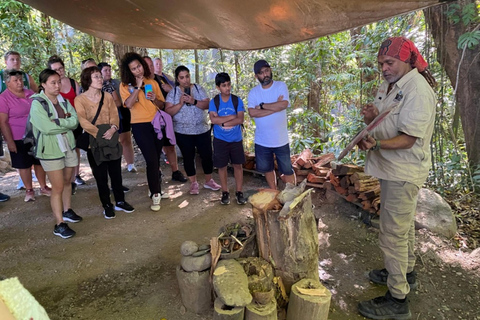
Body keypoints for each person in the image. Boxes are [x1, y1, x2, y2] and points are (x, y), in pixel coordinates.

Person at [356, 37, 436, 320]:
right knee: (403, 230)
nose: (384, 68)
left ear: (408, 60)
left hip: (404, 171)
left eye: (389, 62)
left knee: (392, 234)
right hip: (391, 170)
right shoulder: (392, 85)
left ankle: (398, 299)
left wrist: (375, 144)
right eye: (381, 64)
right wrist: (372, 118)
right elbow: (389, 122)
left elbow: (409, 139)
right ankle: (406, 272)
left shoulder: (418, 90)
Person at [75, 66, 135, 219]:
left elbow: (115, 114)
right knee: (100, 175)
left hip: (111, 137)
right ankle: (107, 205)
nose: (100, 79)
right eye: (96, 77)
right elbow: (82, 121)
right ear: (88, 80)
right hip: (93, 141)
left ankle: (120, 201)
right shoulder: (79, 99)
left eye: (100, 76)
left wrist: (114, 128)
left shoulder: (107, 96)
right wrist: (100, 133)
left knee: (116, 173)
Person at [29, 69, 83, 239]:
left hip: (67, 145)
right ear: (43, 85)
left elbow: (75, 122)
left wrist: (58, 122)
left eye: (59, 82)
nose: (57, 85)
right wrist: (64, 124)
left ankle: (67, 211)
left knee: (68, 182)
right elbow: (46, 127)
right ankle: (59, 224)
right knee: (57, 187)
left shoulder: (64, 101)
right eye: (53, 82)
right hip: (50, 150)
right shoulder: (37, 103)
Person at [119, 52, 165, 211]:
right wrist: (138, 87)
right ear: (128, 71)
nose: (138, 70)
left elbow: (162, 105)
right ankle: (156, 194)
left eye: (139, 66)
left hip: (156, 123)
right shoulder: (125, 86)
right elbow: (129, 104)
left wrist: (154, 99)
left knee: (156, 158)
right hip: (140, 125)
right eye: (133, 69)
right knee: (151, 159)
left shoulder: (152, 82)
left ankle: (154, 187)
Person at [165, 65, 221, 195]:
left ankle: (209, 180)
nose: (185, 80)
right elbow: (168, 112)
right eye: (182, 77)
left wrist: (193, 101)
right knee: (188, 157)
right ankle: (193, 183)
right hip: (183, 132)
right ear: (177, 79)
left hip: (202, 129)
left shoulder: (198, 88)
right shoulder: (173, 93)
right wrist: (180, 103)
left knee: (207, 156)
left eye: (187, 76)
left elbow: (208, 105)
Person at [0, 69, 51, 202]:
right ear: (7, 83)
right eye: (15, 80)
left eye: (21, 79)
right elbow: (3, 122)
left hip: (35, 134)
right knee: (24, 164)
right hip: (17, 136)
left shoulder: (30, 93)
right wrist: (9, 141)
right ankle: (29, 190)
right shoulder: (3, 98)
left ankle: (43, 187)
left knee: (38, 161)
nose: (19, 82)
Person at [247, 59, 295, 189]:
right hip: (262, 140)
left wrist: (262, 106)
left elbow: (284, 104)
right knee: (267, 169)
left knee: (287, 170)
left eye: (267, 70)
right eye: (261, 73)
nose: (265, 74)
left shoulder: (280, 86)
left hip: (281, 139)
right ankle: (274, 192)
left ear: (270, 70)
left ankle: (292, 194)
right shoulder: (254, 92)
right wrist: (275, 107)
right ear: (257, 76)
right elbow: (252, 113)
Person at [144, 56, 187, 183]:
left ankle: (175, 171)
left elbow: (174, 94)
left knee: (169, 145)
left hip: (164, 116)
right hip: (148, 119)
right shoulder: (139, 83)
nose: (150, 68)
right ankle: (156, 172)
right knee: (154, 148)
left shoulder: (162, 79)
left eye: (151, 65)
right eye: (147, 66)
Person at [1, 51, 39, 190]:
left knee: (36, 158)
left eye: (17, 59)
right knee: (21, 158)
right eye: (12, 59)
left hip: (33, 129)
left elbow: (37, 93)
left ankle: (39, 183)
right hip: (10, 122)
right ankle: (25, 183)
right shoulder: (1, 78)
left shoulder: (27, 78)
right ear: (6, 61)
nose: (15, 62)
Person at [47, 55, 85, 192]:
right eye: (55, 69)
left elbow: (80, 100)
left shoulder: (73, 83)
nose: (59, 71)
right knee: (62, 149)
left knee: (75, 148)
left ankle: (75, 176)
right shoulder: (48, 87)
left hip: (74, 121)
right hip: (59, 124)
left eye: (61, 68)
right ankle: (64, 179)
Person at [208, 72, 247, 205]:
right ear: (218, 87)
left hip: (235, 139)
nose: (227, 88)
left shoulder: (237, 100)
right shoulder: (214, 102)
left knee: (238, 165)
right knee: (222, 166)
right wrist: (232, 117)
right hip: (220, 140)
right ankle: (225, 192)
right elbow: (213, 119)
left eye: (229, 84)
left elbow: (240, 119)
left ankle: (239, 192)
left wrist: (222, 122)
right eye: (224, 85)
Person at [98, 62, 136, 173]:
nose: (108, 72)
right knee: (111, 141)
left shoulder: (117, 83)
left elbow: (120, 101)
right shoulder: (95, 85)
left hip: (121, 113)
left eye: (109, 70)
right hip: (105, 117)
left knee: (126, 139)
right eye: (105, 70)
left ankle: (130, 164)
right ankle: (113, 167)